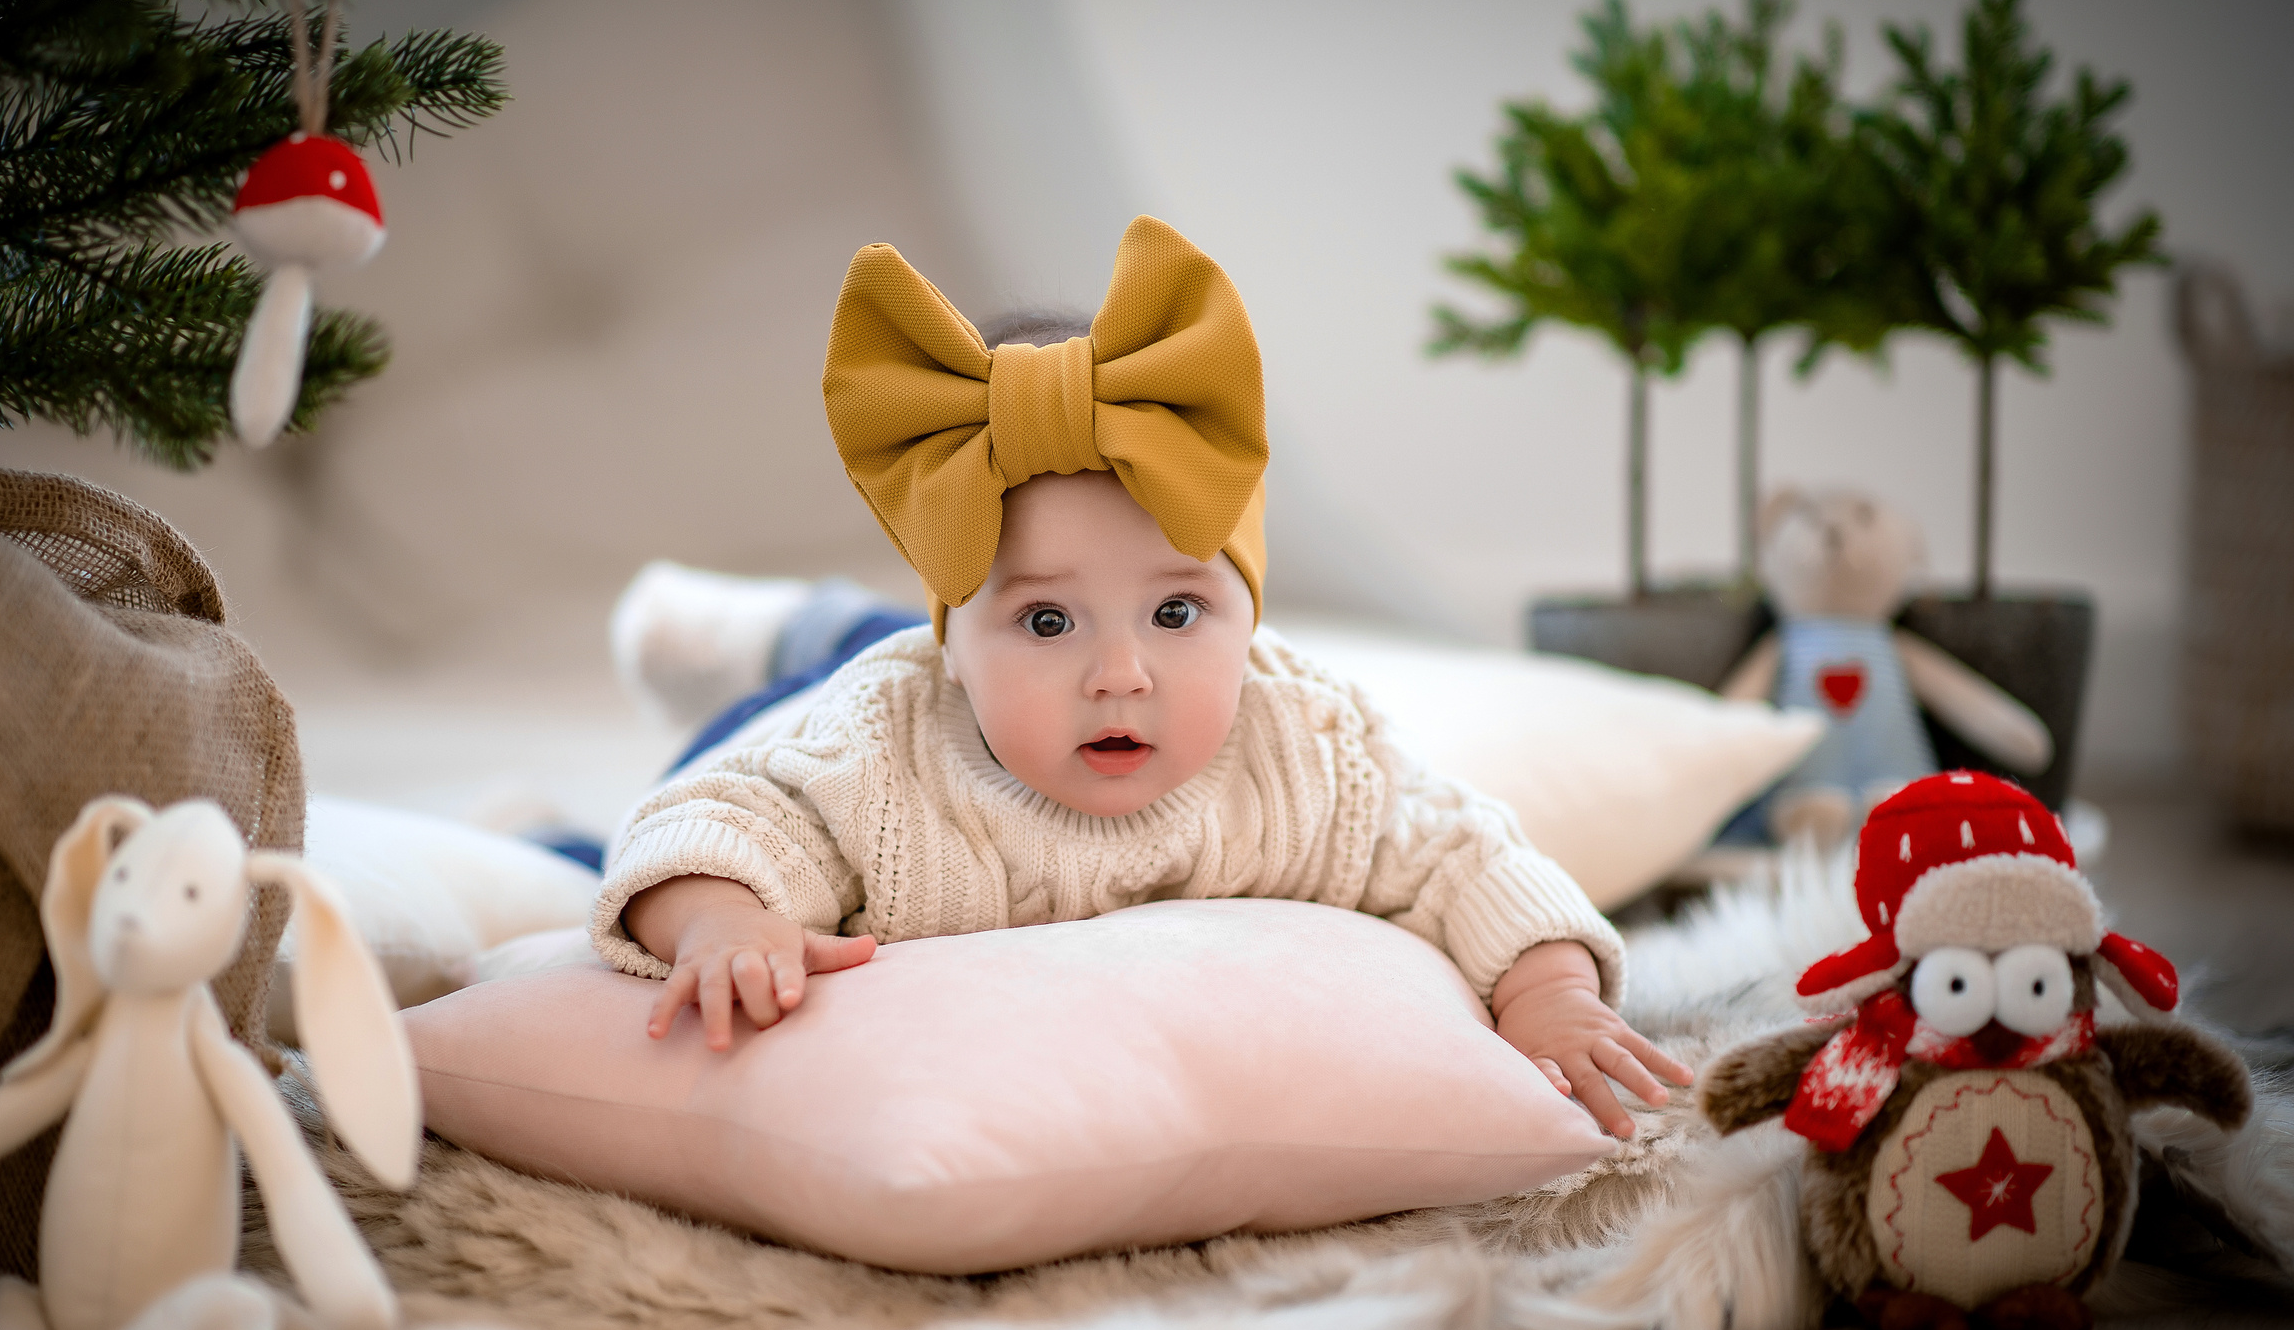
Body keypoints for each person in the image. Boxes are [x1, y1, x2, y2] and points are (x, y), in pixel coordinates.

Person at [595, 217, 1689, 1138]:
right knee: (615, 819)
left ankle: (832, 623)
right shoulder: (875, 752)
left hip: (947, 654)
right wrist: (716, 923)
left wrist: (1547, 991)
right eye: (1047, 617)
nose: (1119, 674)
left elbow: (1468, 855)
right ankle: (779, 633)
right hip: (810, 702)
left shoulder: (1305, 749)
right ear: (956, 643)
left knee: (921, 642)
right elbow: (707, 820)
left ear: (1248, 615)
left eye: (1176, 612)